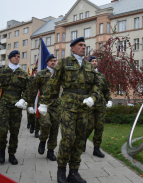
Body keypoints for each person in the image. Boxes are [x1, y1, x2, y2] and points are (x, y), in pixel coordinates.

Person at [38, 37, 100, 183]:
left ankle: (74, 172)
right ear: (72, 48)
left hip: (84, 108)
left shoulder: (89, 66)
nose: (84, 47)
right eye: (80, 45)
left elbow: (97, 85)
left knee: (79, 140)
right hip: (68, 107)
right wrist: (44, 103)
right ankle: (61, 171)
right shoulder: (64, 63)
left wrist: (93, 98)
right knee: (68, 138)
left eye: (85, 45)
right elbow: (53, 84)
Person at [28, 54, 60, 161]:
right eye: (51, 61)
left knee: (55, 128)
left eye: (55, 61)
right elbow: (33, 89)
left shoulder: (59, 74)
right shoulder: (41, 74)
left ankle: (50, 151)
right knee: (46, 124)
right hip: (43, 103)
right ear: (47, 62)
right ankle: (42, 141)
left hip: (56, 104)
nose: (53, 62)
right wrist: (30, 105)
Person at [84, 56, 112, 158]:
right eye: (92, 61)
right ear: (89, 63)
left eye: (96, 61)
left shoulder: (101, 76)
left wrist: (109, 100)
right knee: (89, 126)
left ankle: (96, 149)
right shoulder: (85, 75)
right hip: (89, 106)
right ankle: (83, 141)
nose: (94, 62)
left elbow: (106, 90)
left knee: (99, 127)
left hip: (100, 105)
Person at [27, 66, 37, 135]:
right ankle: (32, 124)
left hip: (39, 98)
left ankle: (37, 131)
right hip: (32, 98)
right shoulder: (31, 79)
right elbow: (28, 88)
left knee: (38, 115)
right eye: (36, 70)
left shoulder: (42, 77)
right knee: (31, 114)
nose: (37, 71)